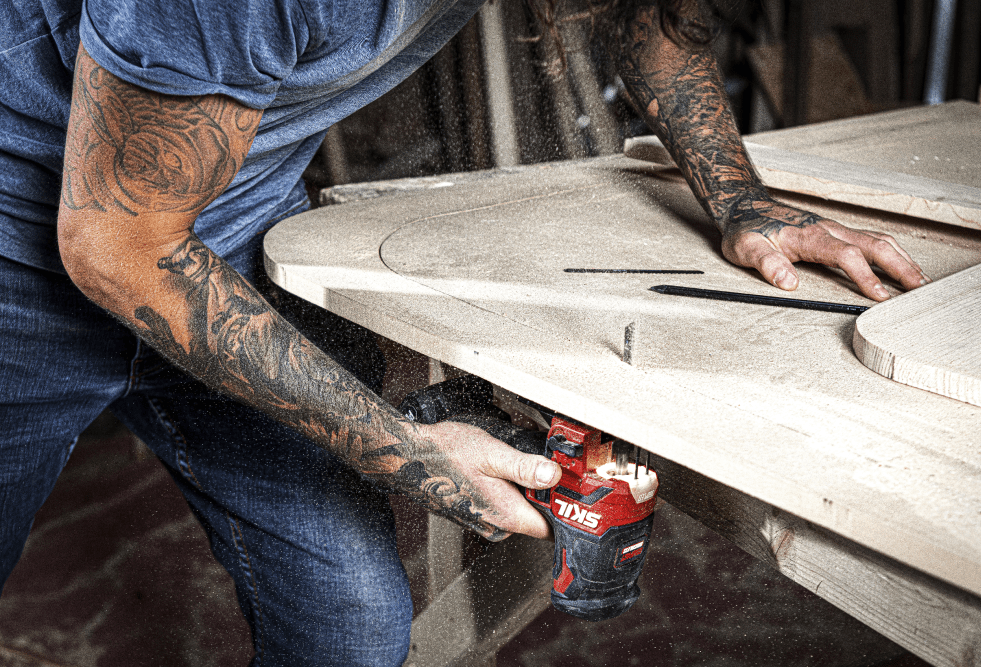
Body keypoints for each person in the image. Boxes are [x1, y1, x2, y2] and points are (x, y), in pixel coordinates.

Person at [0, 0, 927, 664]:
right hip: (26, 241)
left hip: (233, 227)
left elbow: (646, 15)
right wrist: (406, 451)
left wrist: (741, 200)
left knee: (352, 629)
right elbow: (119, 249)